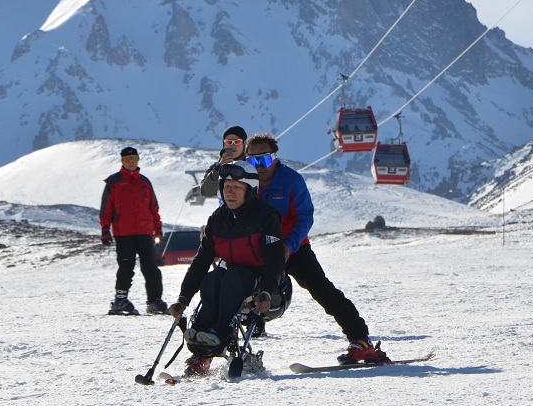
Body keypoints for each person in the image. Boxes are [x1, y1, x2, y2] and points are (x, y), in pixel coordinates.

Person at [244, 133, 390, 365]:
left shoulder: (291, 180)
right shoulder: (246, 182)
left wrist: (288, 246)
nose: (259, 167)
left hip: (293, 249)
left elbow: (305, 217)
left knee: (323, 292)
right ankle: (216, 349)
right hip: (259, 250)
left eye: (264, 160)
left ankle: (361, 341)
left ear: (275, 158)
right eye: (252, 161)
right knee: (235, 291)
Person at [168, 161, 288, 376]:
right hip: (232, 282)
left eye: (236, 188)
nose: (229, 193)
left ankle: (218, 334)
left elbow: (275, 261)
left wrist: (268, 290)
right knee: (212, 278)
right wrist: (183, 298)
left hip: (269, 289)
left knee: (233, 274)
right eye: (226, 187)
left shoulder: (266, 217)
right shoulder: (217, 219)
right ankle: (201, 340)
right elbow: (201, 261)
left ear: (250, 190)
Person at [99, 146, 167, 315]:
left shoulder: (144, 182)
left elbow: (153, 208)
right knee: (126, 267)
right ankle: (120, 300)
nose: (131, 162)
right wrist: (105, 230)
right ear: (122, 161)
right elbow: (106, 209)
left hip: (145, 232)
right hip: (124, 233)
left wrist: (157, 229)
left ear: (138, 160)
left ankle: (154, 301)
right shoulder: (114, 182)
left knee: (150, 267)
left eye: (134, 159)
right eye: (127, 159)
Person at [198, 125, 248, 200]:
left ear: (244, 144)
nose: (232, 146)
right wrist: (219, 169)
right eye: (228, 142)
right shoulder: (216, 167)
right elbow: (206, 192)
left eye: (237, 142)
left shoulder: (252, 163)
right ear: (224, 145)